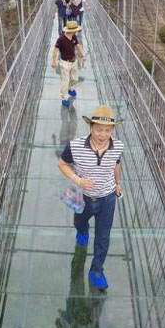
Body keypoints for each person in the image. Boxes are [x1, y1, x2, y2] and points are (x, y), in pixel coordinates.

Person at [57, 105, 124, 289]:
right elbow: (62, 164)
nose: (103, 134)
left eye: (108, 130)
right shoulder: (76, 146)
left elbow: (116, 165)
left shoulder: (117, 146)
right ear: (91, 127)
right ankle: (83, 231)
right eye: (99, 130)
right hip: (84, 196)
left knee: (103, 237)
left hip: (107, 198)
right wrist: (77, 180)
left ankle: (96, 271)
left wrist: (117, 183)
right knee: (79, 222)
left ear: (112, 130)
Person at [55, 244, 106, 328]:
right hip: (76, 304)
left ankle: (90, 249)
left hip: (87, 305)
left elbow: (95, 318)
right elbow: (58, 321)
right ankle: (82, 246)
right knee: (77, 274)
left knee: (91, 278)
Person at [51, 20, 85, 107]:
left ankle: (70, 89)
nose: (76, 31)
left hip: (74, 62)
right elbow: (55, 50)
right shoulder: (61, 39)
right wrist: (53, 61)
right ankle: (64, 98)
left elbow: (78, 46)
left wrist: (83, 54)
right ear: (71, 30)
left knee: (75, 79)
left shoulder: (74, 37)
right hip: (65, 63)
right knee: (65, 81)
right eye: (76, 30)